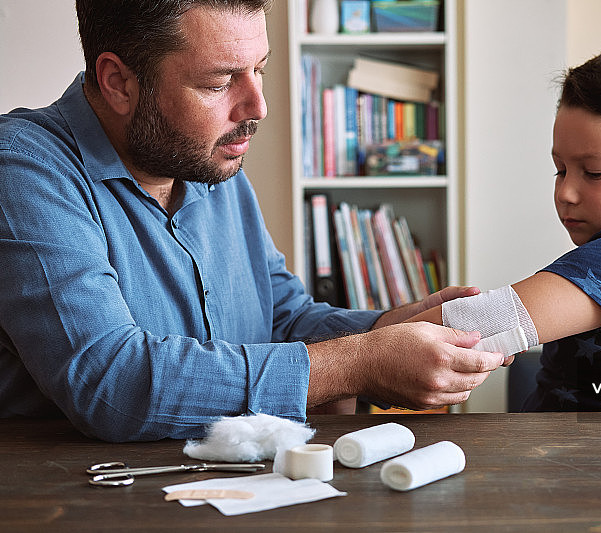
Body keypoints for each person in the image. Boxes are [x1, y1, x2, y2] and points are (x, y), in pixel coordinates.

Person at [0, 0, 506, 442]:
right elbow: (111, 383)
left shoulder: (206, 159)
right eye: (219, 82)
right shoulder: (23, 167)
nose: (256, 105)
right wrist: (364, 362)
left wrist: (394, 326)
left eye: (258, 69)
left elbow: (282, 320)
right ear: (118, 83)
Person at [409, 45, 601, 411]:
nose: (565, 192)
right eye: (560, 169)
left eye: (594, 173)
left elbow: (469, 327)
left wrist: (350, 362)